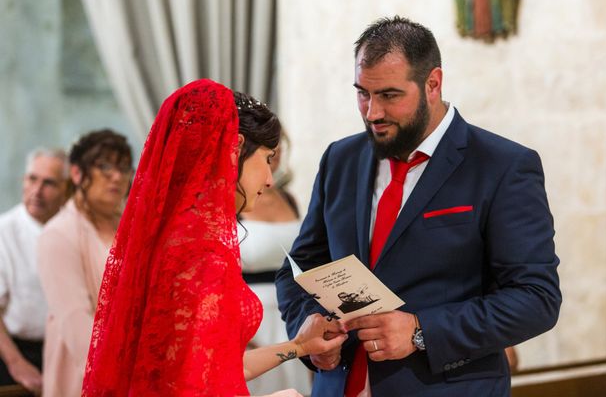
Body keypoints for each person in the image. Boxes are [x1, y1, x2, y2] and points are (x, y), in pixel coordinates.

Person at [275, 16, 561, 396]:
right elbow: (299, 268)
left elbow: (536, 298)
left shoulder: (502, 166)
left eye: (389, 95)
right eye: (362, 92)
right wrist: (306, 331)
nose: (372, 112)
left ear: (433, 84)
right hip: (337, 386)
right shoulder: (340, 158)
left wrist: (421, 330)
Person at [82, 80, 347, 397]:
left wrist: (299, 345)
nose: (268, 178)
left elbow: (220, 366)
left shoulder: (176, 238)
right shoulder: (203, 254)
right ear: (234, 150)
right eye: (266, 158)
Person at [37, 130, 132, 397]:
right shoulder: (58, 234)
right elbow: (76, 323)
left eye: (124, 168)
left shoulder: (130, 229)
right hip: (88, 374)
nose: (117, 176)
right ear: (77, 173)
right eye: (104, 166)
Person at [240, 135, 313, 396]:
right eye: (268, 148)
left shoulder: (289, 199)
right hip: (251, 311)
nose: (277, 151)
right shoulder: (235, 200)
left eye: (279, 143)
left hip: (292, 306)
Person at [0, 148, 68, 393]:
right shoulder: (3, 232)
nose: (37, 191)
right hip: (15, 352)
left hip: (66, 353)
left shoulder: (74, 231)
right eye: (32, 179)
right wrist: (17, 364)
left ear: (67, 189)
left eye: (49, 183)